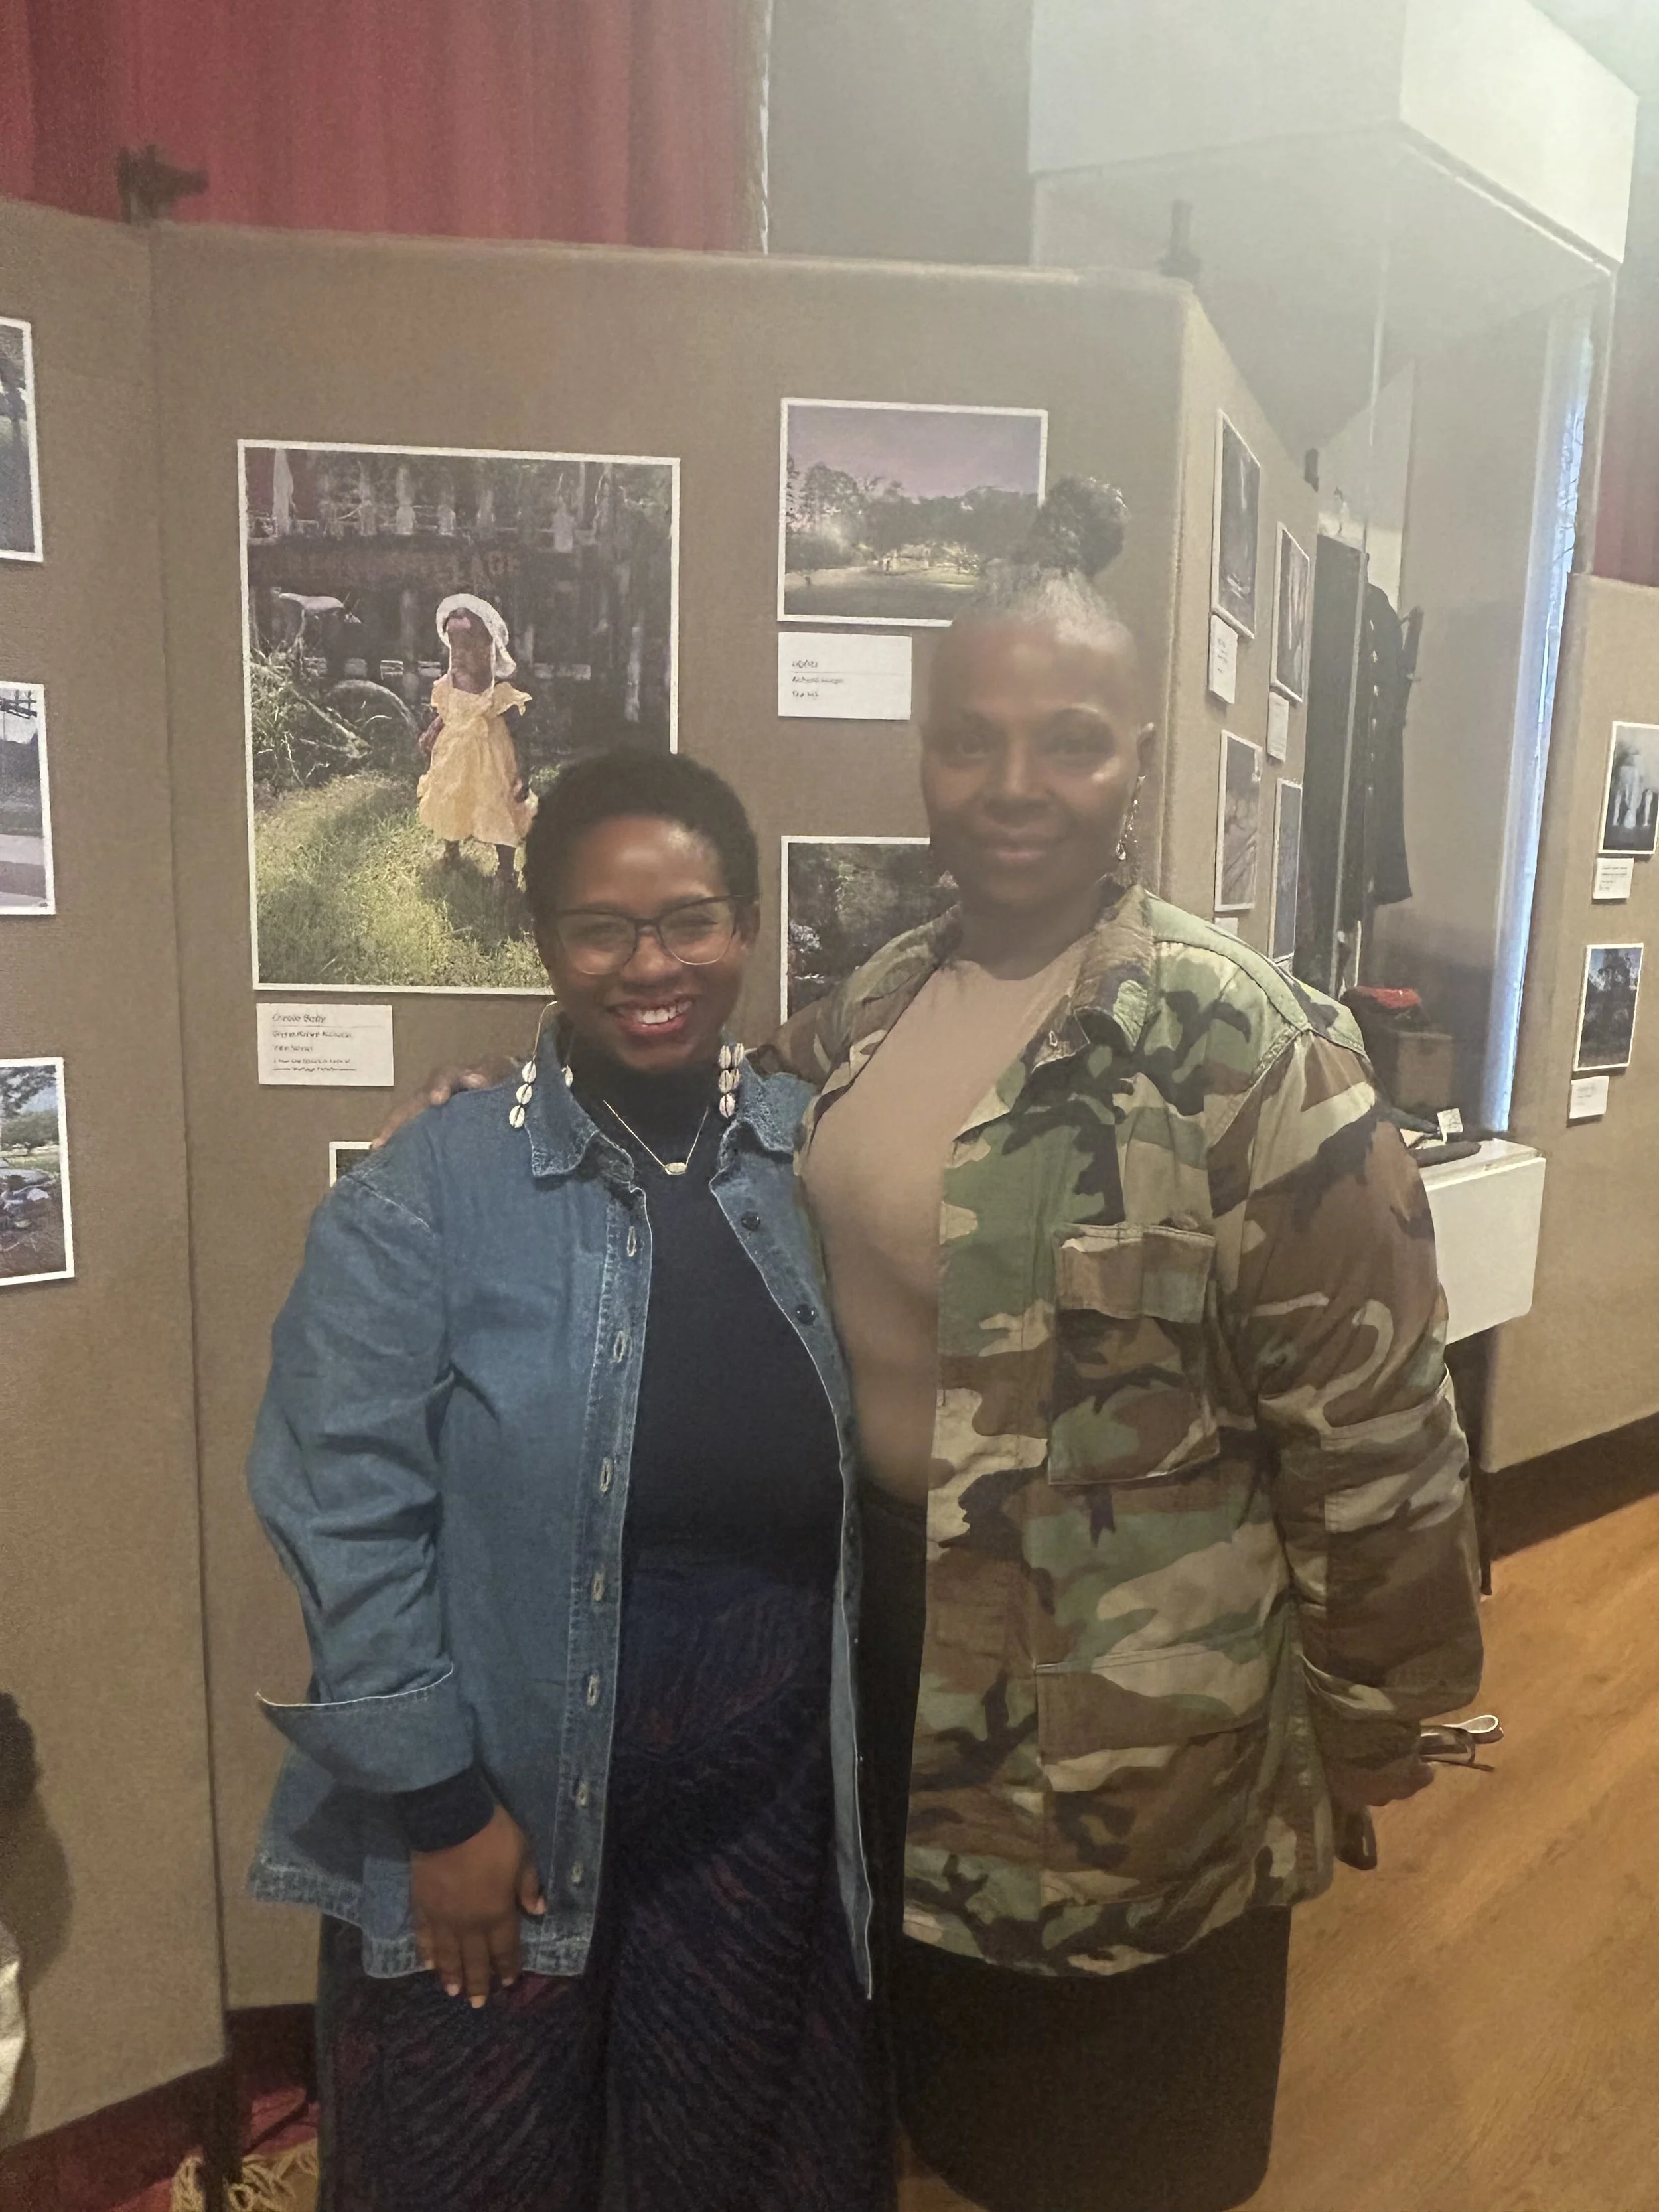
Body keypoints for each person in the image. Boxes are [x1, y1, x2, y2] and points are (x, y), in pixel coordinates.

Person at [383, 479, 1484, 2212]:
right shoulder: (885, 989)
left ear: (1136, 758)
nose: (1016, 786)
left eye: (1068, 743)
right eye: (969, 742)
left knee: (1123, 2140)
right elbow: (725, 1126)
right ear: (923, 758)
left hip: (1140, 1717)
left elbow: (1371, 1422)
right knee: (941, 2097)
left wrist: (1366, 1721)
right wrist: (520, 1107)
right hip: (886, 1646)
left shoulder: (1247, 1044)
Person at [247, 751, 885, 2212]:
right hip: (504, 1818)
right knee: (471, 2164)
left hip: (761, 1806)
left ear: (744, 927)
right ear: (540, 937)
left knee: (723, 2164)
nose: (648, 964)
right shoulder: (429, 1189)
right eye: (601, 926)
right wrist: (438, 1807)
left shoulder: (808, 1160)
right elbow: (341, 1506)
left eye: (690, 920)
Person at [415, 593, 536, 903]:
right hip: (454, 755)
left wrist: (523, 771)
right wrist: (432, 731)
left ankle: (506, 870)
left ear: (488, 647)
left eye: (468, 646)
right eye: (454, 646)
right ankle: (451, 851)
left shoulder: (497, 688)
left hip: (491, 759)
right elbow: (444, 711)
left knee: (496, 805)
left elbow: (520, 731)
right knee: (450, 797)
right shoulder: (449, 682)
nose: (460, 655)